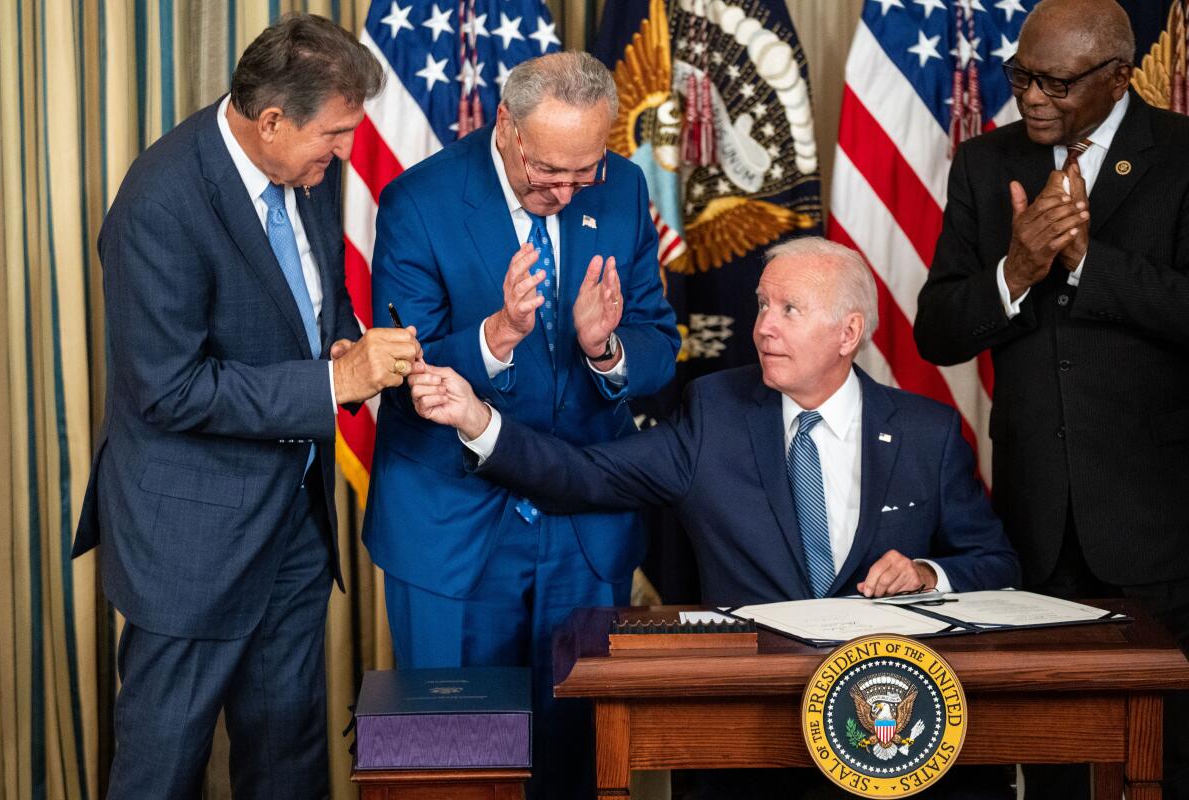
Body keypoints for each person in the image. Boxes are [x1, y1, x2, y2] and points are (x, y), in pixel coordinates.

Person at [411, 236, 1020, 799]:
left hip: (891, 729)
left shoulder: (924, 432)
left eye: (789, 310)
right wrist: (478, 422)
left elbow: (995, 563)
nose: (762, 329)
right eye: (761, 306)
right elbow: (585, 475)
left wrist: (925, 571)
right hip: (745, 732)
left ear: (849, 332)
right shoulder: (716, 413)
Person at [72, 15, 421, 799]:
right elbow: (167, 389)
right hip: (190, 539)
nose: (343, 154)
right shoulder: (160, 202)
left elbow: (310, 310)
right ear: (269, 121)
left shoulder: (306, 176)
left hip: (291, 521)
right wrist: (333, 385)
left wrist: (344, 348)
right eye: (333, 135)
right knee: (163, 767)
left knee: (288, 756)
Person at [363, 51, 679, 800]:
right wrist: (496, 335)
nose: (565, 191)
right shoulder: (419, 200)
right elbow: (400, 373)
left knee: (579, 762)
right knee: (453, 767)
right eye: (548, 172)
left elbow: (659, 346)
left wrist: (607, 348)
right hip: (454, 526)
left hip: (583, 521)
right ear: (505, 126)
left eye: (584, 172)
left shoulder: (626, 190)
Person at [914, 0, 1189, 795]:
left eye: (1056, 83)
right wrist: (1016, 270)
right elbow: (937, 331)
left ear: (1117, 77)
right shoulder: (984, 161)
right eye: (1021, 76)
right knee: (1053, 750)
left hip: (1161, 521)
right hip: (1034, 523)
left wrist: (1088, 264)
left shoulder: (1179, 155)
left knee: (1166, 757)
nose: (1031, 97)